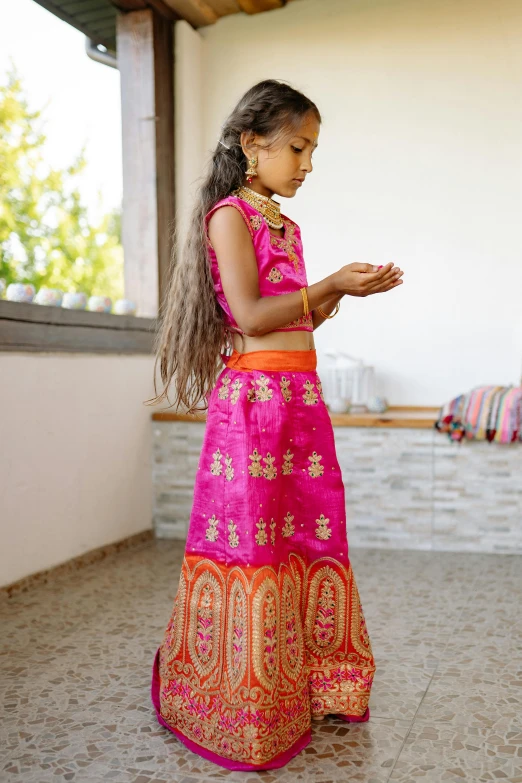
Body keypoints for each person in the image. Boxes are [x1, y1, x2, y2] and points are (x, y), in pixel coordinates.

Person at [148, 79, 404, 771]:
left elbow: (292, 317)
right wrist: (326, 288)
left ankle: (307, 681)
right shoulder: (230, 215)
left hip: (299, 397)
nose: (308, 164)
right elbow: (253, 317)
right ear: (249, 141)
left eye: (312, 149)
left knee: (303, 533)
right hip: (256, 403)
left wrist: (332, 302)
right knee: (255, 543)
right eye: (298, 146)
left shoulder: (285, 223)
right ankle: (240, 696)